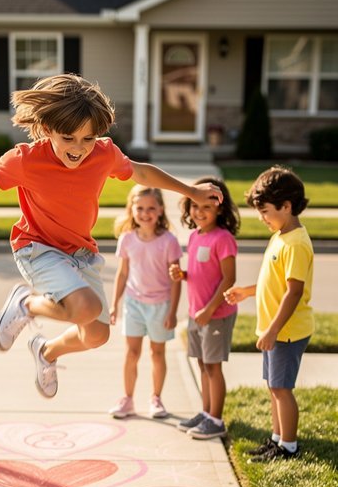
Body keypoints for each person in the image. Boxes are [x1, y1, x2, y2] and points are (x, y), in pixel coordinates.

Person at [0, 74, 222, 399]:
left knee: (97, 335)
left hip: (80, 253)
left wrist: (191, 190)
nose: (79, 148)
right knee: (85, 307)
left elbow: (142, 172)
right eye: (68, 138)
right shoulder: (26, 160)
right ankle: (26, 304)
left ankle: (46, 352)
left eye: (88, 138)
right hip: (37, 247)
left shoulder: (103, 154)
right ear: (47, 128)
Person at [224, 166, 314, 461]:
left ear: (286, 206)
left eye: (265, 211)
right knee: (274, 387)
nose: (262, 218)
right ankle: (277, 439)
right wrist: (246, 291)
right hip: (275, 330)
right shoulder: (281, 236)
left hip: (286, 332)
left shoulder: (296, 243)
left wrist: (273, 330)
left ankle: (289, 446)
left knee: (282, 389)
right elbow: (272, 282)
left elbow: (294, 292)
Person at [169, 176, 240, 439]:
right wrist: (183, 275)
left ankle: (216, 420)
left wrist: (210, 309)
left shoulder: (223, 239)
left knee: (213, 367)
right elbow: (202, 273)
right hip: (197, 313)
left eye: (207, 207)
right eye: (195, 206)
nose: (200, 212)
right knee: (202, 364)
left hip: (215, 314)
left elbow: (228, 279)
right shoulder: (195, 236)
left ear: (220, 209)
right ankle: (206, 412)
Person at [108, 185, 182, 419]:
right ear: (131, 209)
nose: (145, 213)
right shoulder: (127, 239)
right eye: (139, 208)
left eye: (151, 208)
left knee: (157, 353)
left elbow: (176, 280)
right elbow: (122, 274)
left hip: (160, 306)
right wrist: (114, 304)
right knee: (131, 353)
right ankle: (127, 399)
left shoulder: (169, 241)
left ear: (160, 210)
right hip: (133, 304)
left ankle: (156, 399)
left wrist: (172, 311)